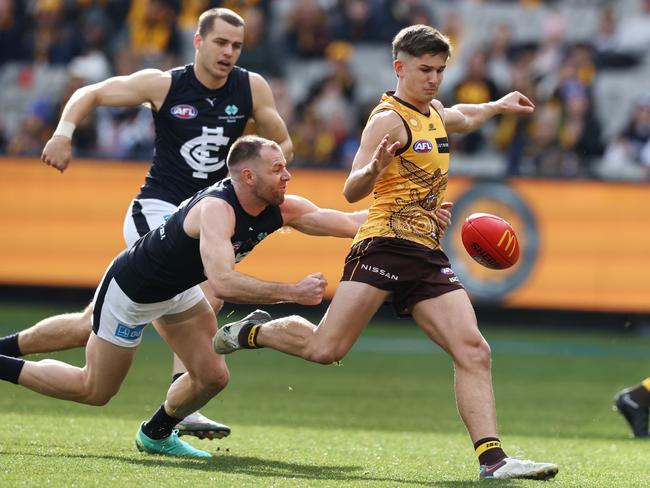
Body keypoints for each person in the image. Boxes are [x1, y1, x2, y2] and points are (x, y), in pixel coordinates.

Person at [214, 25, 559, 481]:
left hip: (426, 252)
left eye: (439, 70)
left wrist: (498, 106)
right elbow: (352, 188)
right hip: (383, 245)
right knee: (325, 349)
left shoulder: (433, 111)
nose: (433, 79)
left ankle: (493, 461)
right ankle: (253, 332)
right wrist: (374, 168)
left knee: (474, 349)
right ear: (399, 68)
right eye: (424, 70)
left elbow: (462, 115)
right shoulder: (387, 120)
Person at [0, 7, 292, 440]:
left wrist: (265, 166)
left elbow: (281, 140)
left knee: (90, 325)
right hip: (156, 213)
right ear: (197, 41)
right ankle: (181, 402)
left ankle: (3, 351)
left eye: (236, 45)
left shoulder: (251, 87)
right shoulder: (165, 84)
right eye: (220, 43)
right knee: (207, 286)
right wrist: (63, 133)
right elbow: (91, 94)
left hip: (207, 214)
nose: (229, 52)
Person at [0, 135, 384, 458]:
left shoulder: (281, 208)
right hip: (132, 294)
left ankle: (155, 434)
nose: (288, 175)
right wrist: (292, 292)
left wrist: (412, 218)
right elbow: (222, 283)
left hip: (178, 293)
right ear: (248, 176)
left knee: (213, 377)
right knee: (94, 390)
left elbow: (351, 223)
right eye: (278, 169)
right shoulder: (217, 210)